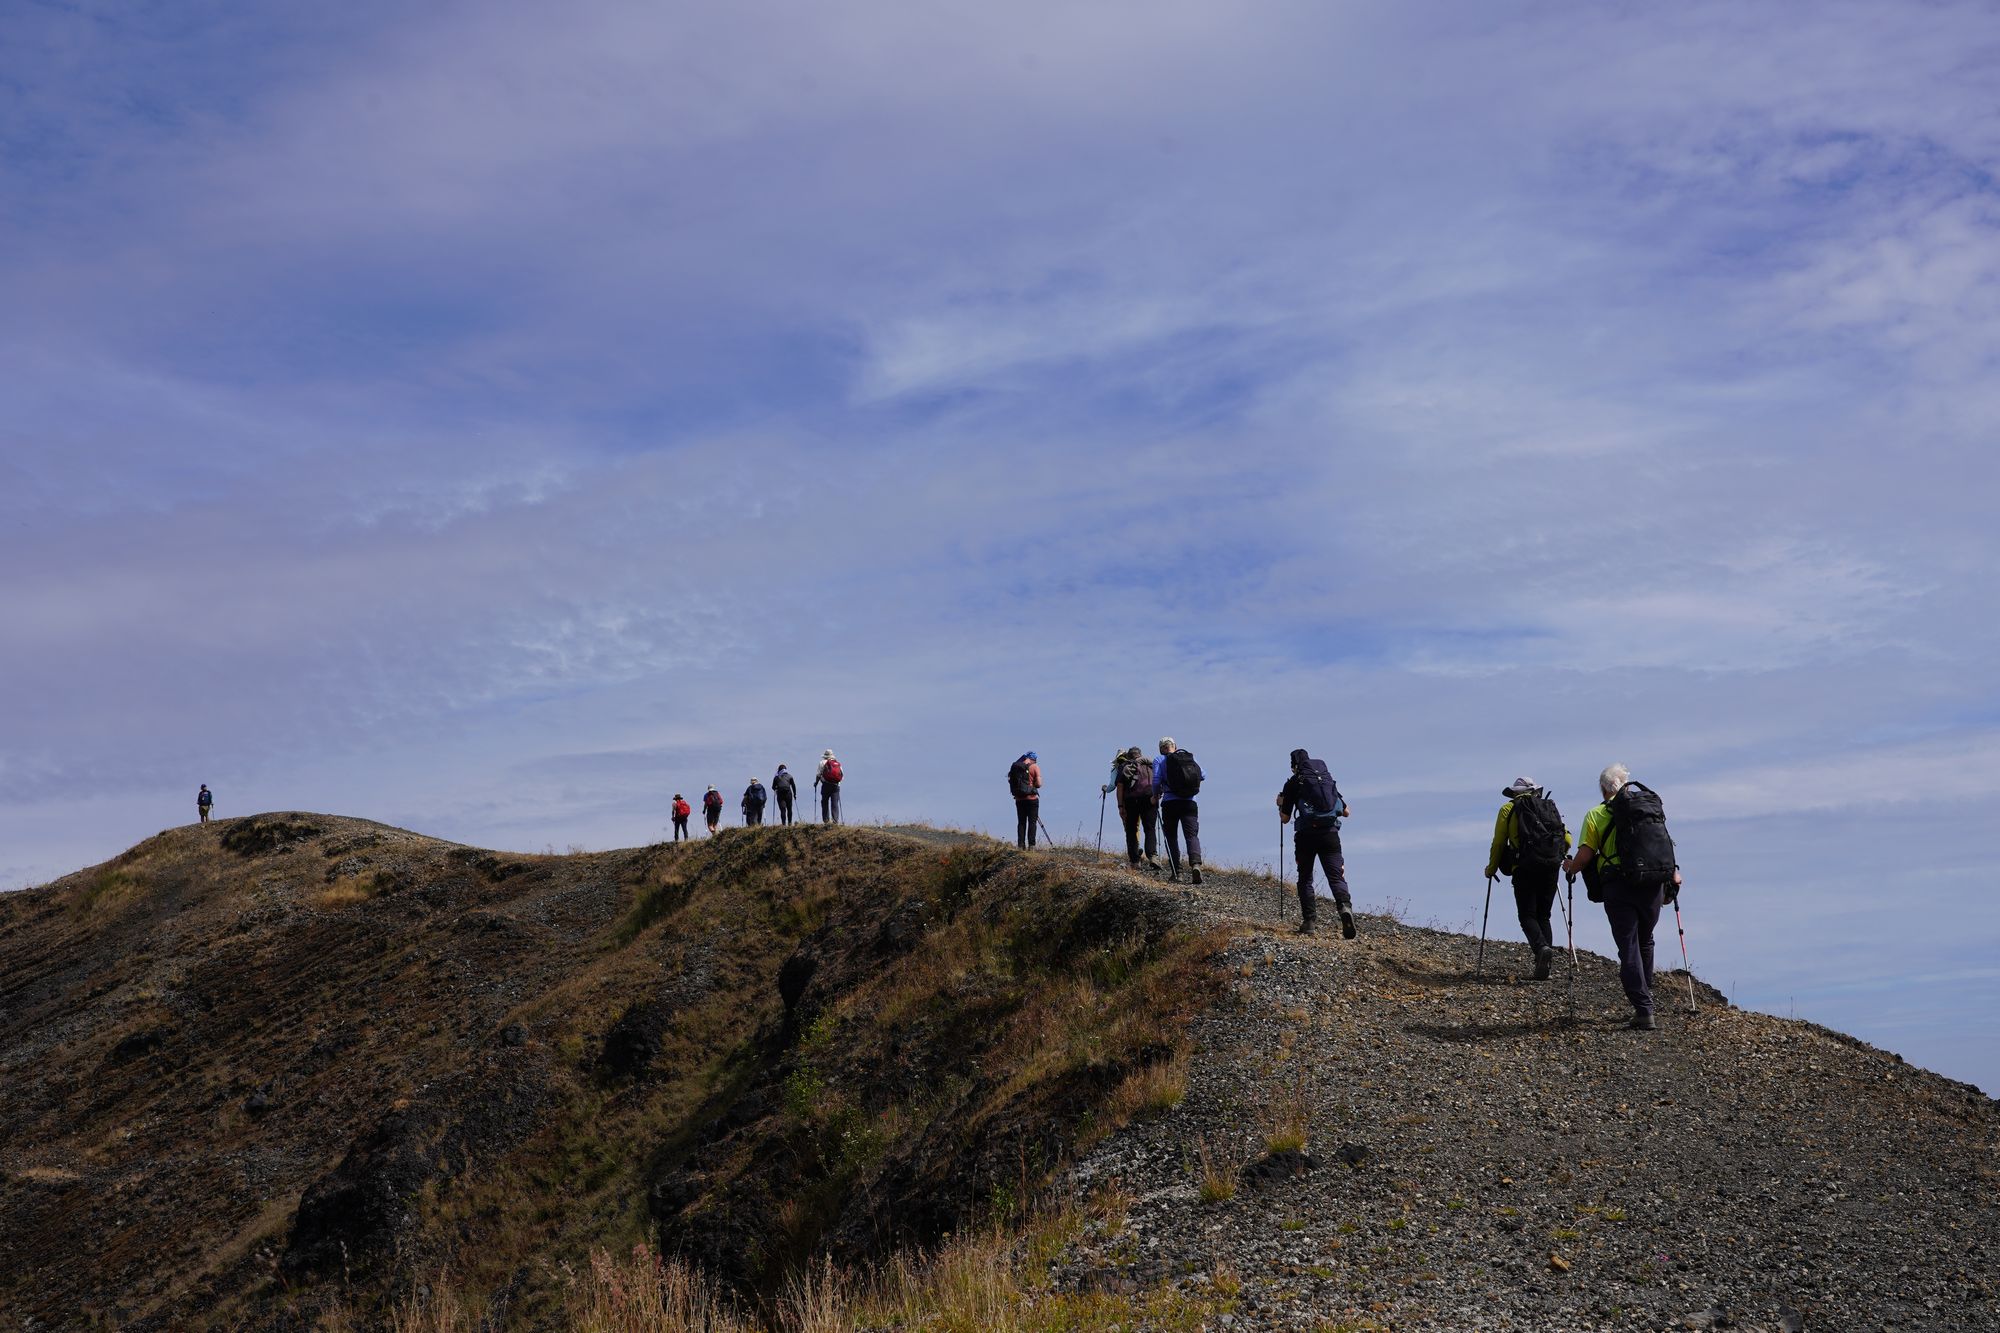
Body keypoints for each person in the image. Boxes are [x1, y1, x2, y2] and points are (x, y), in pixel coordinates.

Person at [1563, 763, 1682, 1031]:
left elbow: (1586, 854)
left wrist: (1571, 867)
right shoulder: (1648, 807)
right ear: (1624, 782)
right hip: (1652, 883)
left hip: (1618, 885)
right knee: (1645, 941)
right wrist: (1673, 873)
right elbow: (1661, 843)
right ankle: (1645, 996)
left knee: (1628, 946)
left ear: (1605, 788)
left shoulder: (1596, 814)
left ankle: (1643, 1009)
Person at [1484, 777, 1571, 979]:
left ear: (1515, 793)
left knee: (1526, 915)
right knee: (1544, 915)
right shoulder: (1548, 807)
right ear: (1534, 791)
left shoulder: (1508, 809)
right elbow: (1566, 838)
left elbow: (1498, 842)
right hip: (1551, 867)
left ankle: (1541, 949)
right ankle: (1545, 968)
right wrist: (1556, 855)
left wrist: (1492, 868)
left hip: (1523, 867)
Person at [1276, 748, 1356, 937]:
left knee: (1305, 878)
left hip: (1306, 836)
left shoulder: (1294, 783)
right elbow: (1347, 812)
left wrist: (1281, 803)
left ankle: (1309, 922)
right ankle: (1344, 908)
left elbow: (1285, 819)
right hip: (1330, 835)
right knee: (1336, 877)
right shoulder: (1327, 781)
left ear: (1294, 766)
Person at [1154, 738, 1204, 885]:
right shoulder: (1188, 757)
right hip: (1189, 802)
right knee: (1191, 835)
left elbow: (1156, 780)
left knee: (1172, 837)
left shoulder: (1159, 759)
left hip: (1170, 803)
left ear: (1161, 749)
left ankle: (1178, 873)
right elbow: (1203, 774)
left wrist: (1155, 795)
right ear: (1174, 746)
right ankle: (1195, 864)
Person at [1102, 746, 1159, 869]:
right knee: (1150, 828)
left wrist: (1120, 806)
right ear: (1140, 754)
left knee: (1131, 831)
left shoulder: (1124, 766)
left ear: (1129, 756)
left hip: (1131, 801)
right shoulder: (1149, 765)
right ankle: (1152, 856)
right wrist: (1156, 797)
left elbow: (1120, 787)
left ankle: (1134, 861)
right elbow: (1158, 781)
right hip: (1149, 800)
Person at [1008, 752, 1043, 848]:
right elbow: (1039, 784)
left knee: (1021, 822)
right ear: (1033, 759)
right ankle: (1031, 845)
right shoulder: (1034, 767)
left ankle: (1020, 845)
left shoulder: (1017, 767)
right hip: (1032, 799)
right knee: (1032, 822)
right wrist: (1033, 784)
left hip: (1019, 799)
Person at [815, 750, 844, 824]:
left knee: (824, 802)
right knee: (834, 803)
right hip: (836, 786)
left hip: (826, 785)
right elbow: (842, 776)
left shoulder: (822, 762)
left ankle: (826, 821)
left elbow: (818, 775)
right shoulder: (837, 763)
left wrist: (816, 783)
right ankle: (835, 821)